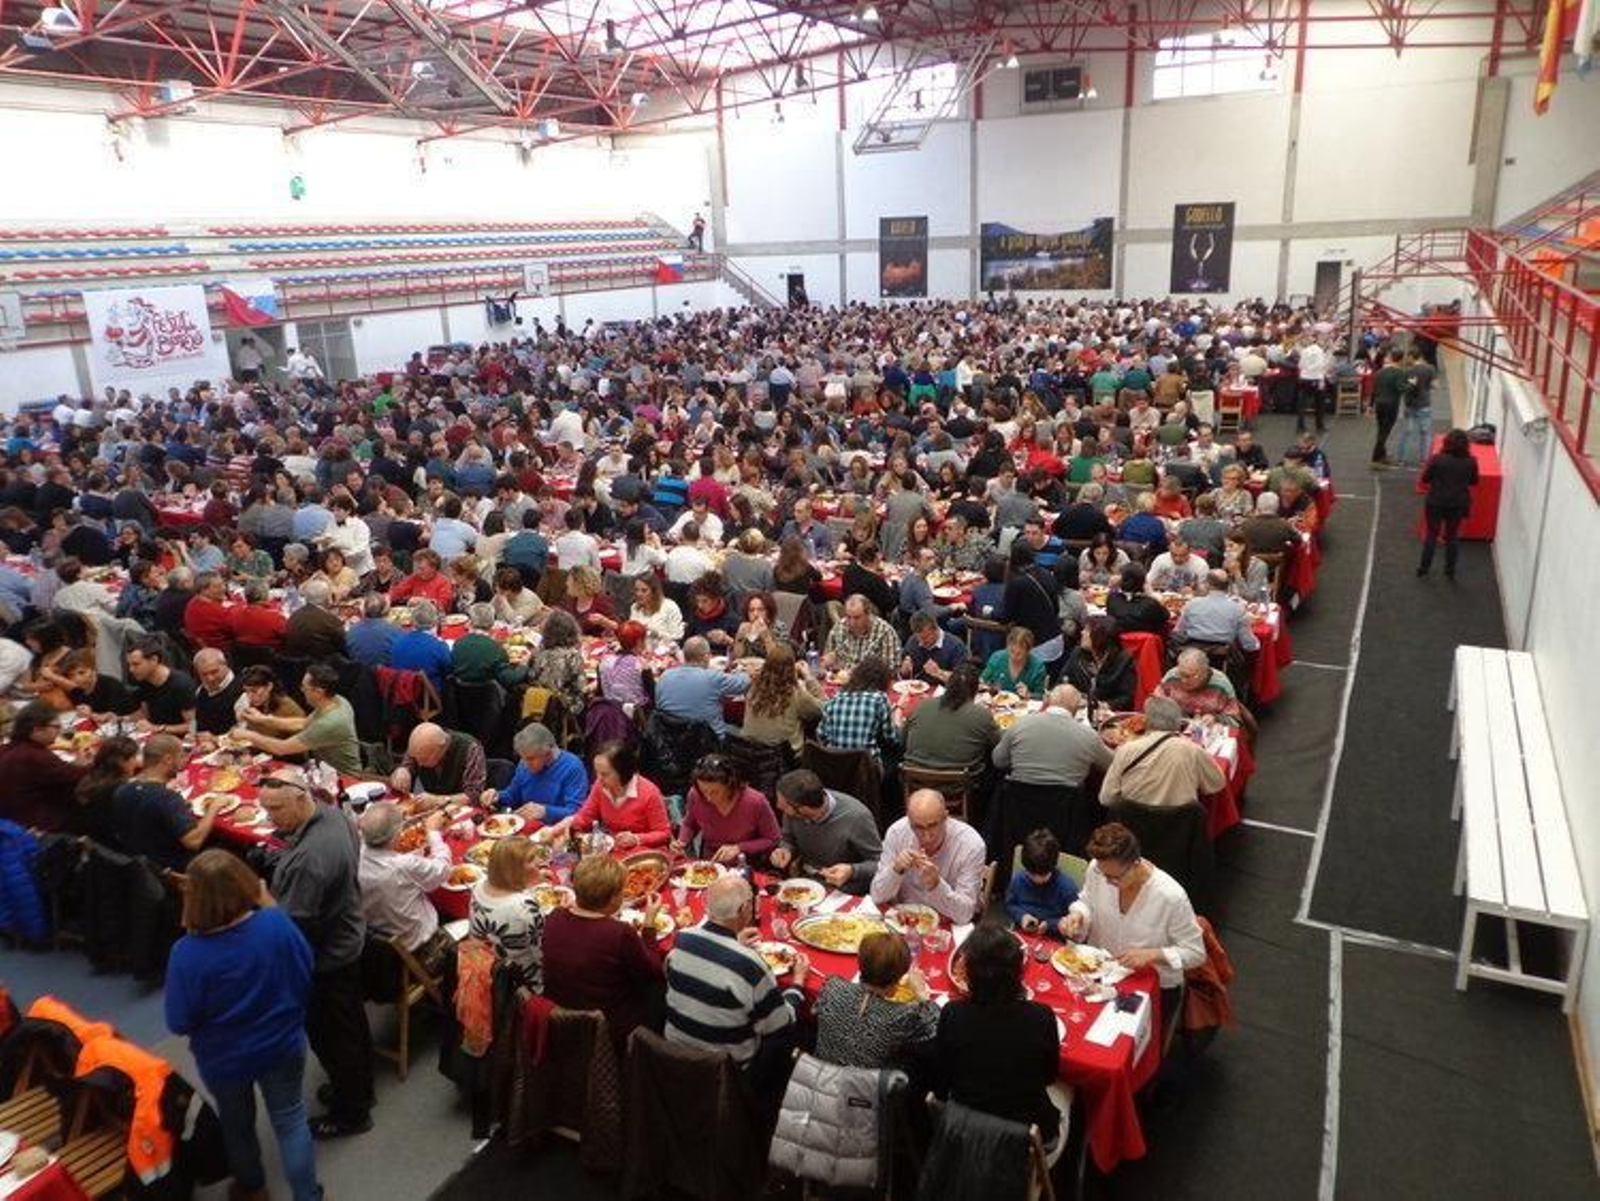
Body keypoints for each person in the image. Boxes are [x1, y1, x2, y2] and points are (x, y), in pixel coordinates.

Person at [164, 849, 320, 1201]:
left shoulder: (186, 954)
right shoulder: (275, 923)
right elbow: (305, 969)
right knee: (291, 1120)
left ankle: (252, 1188)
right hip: (282, 1043)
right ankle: (308, 1195)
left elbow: (178, 1021)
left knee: (236, 1125)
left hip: (224, 1058)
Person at [257, 771, 375, 1139]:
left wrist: (264, 903)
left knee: (331, 1036)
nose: (270, 818)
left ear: (300, 798)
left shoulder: (310, 860)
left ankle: (351, 1113)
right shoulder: (334, 815)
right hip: (349, 937)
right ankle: (358, 1088)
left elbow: (292, 929)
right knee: (351, 1027)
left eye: (275, 809)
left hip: (325, 959)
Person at [664, 874, 804, 1087]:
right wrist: (797, 984)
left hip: (672, 1060)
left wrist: (732, 944)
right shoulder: (750, 964)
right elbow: (780, 1024)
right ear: (743, 909)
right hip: (727, 1076)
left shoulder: (682, 939)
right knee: (789, 1036)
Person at [936, 922, 1064, 1148]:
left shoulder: (952, 1013)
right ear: (1018, 972)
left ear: (969, 974)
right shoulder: (1041, 1017)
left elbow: (944, 1075)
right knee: (1066, 1089)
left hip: (962, 1129)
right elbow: (1049, 1076)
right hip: (1026, 1139)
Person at [1061, 822, 1206, 1005]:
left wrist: (1152, 954)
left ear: (1136, 864)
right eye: (1103, 874)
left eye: (1115, 878)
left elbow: (1196, 953)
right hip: (1099, 973)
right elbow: (1087, 902)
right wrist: (1078, 915)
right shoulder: (1098, 870)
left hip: (1150, 987)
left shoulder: (1171, 897)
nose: (1107, 881)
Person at [540, 854, 666, 1051]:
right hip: (607, 1026)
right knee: (660, 989)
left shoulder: (554, 916)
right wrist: (649, 925)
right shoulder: (619, 933)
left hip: (560, 1014)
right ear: (613, 898)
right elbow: (653, 972)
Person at [810, 930, 938, 1069]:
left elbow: (814, 1011)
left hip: (816, 1076)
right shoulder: (901, 1016)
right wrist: (921, 993)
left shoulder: (832, 985)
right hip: (862, 1087)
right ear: (898, 978)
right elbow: (938, 1028)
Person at [356, 802, 455, 976]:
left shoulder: (355, 856)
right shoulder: (401, 865)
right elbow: (444, 870)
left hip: (378, 954)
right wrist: (433, 833)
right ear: (396, 835)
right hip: (422, 953)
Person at [869, 790, 986, 923]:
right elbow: (877, 896)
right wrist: (895, 870)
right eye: (918, 827)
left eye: (932, 826)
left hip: (948, 923)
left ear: (946, 817)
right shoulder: (897, 833)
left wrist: (936, 885)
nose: (926, 836)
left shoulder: (971, 845)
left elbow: (964, 915)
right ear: (909, 821)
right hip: (903, 921)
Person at [109, 733, 222, 870]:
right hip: (172, 872)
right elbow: (194, 841)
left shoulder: (122, 789)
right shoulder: (167, 798)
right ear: (168, 759)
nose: (184, 760)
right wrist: (214, 807)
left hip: (137, 867)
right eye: (181, 756)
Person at [231, 663, 362, 775]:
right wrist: (264, 719)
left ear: (319, 692)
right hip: (326, 770)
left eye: (304, 687)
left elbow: (281, 748)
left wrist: (249, 735)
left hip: (344, 777)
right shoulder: (337, 700)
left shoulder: (329, 723)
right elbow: (303, 723)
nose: (301, 690)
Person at [770, 770, 883, 894]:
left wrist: (852, 870)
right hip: (805, 881)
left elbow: (881, 863)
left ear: (803, 809)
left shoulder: (857, 817)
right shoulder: (792, 811)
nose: (777, 806)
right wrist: (785, 850)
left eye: (783, 806)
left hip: (842, 888)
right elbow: (788, 839)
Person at [1099, 695, 1225, 807]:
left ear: (1146, 722)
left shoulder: (1126, 750)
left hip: (1133, 827)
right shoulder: (1193, 750)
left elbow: (1106, 799)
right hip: (1180, 827)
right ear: (1178, 722)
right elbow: (1217, 784)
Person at [546, 740, 671, 850]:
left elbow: (664, 833)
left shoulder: (649, 793)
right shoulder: (600, 787)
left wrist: (636, 838)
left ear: (623, 772)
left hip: (642, 854)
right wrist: (568, 823)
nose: (598, 779)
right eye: (597, 773)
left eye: (605, 774)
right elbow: (586, 817)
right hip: (612, 850)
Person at [992, 682, 1113, 794]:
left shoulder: (1020, 724)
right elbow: (1112, 765)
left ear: (1048, 701)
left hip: (1017, 807)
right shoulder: (1089, 736)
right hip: (1066, 811)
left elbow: (998, 761)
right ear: (1077, 710)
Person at [468, 837, 546, 995]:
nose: (540, 862)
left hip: (483, 964)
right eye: (531, 859)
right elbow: (543, 949)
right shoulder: (525, 908)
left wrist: (529, 882)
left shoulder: (479, 885)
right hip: (520, 979)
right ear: (514, 870)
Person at [676, 753, 781, 865]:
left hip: (746, 862)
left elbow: (773, 839)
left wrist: (739, 848)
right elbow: (689, 824)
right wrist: (682, 841)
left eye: (715, 792)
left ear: (730, 784)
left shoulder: (755, 801)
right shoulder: (695, 794)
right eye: (703, 791)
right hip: (711, 860)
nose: (708, 798)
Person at [0, 701, 88, 830]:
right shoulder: (34, 756)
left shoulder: (7, 748)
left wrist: (74, 766)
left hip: (12, 822)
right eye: (56, 727)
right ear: (37, 730)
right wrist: (85, 765)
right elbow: (79, 776)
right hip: (43, 824)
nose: (60, 731)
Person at [482, 722, 589, 822]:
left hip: (556, 830)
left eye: (531, 759)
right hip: (526, 826)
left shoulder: (572, 767)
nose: (525, 763)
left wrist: (545, 811)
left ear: (548, 753)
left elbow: (576, 812)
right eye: (522, 758)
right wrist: (497, 796)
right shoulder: (525, 761)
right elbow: (513, 795)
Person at [902, 663, 999, 773]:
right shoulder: (982, 715)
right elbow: (998, 746)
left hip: (915, 781)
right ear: (975, 690)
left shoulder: (921, 706)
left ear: (948, 686)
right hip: (959, 786)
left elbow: (902, 740)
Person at [653, 636, 750, 737]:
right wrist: (742, 670)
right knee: (745, 733)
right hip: (709, 742)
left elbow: (659, 707)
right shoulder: (713, 677)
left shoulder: (665, 676)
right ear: (706, 656)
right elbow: (744, 683)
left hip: (671, 739)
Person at [740, 641, 825, 753]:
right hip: (783, 761)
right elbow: (824, 708)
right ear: (791, 668)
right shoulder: (795, 694)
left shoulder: (753, 689)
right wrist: (808, 677)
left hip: (750, 756)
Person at [1418, 428, 1479, 580]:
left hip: (1436, 501)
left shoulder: (1437, 459)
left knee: (1432, 535)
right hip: (1457, 503)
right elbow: (1474, 482)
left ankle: (1424, 568)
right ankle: (1450, 570)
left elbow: (1425, 478)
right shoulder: (1471, 461)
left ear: (1447, 443)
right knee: (1452, 537)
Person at [817, 655, 899, 763]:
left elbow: (821, 735)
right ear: (883, 681)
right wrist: (897, 714)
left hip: (835, 770)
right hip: (866, 772)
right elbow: (892, 739)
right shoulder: (879, 699)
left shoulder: (835, 699)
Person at [389, 721, 487, 809]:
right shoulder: (422, 745)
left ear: (441, 749)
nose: (419, 763)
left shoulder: (471, 748)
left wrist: (438, 801)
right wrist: (401, 771)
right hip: (429, 809)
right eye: (415, 757)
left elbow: (474, 797)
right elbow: (407, 765)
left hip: (460, 811)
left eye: (424, 759)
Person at [1004, 828, 1081, 934]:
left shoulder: (1067, 888)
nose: (1037, 879)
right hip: (1023, 933)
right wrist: (1022, 916)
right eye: (1032, 874)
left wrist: (1051, 924)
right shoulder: (1018, 879)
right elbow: (1010, 905)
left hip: (1054, 939)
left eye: (1043, 875)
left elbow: (1074, 920)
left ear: (1053, 865)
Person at [1173, 571, 1261, 654]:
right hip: (1222, 659)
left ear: (1207, 585)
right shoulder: (1238, 609)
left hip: (1192, 654)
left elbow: (1178, 631)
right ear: (1228, 586)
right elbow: (1248, 645)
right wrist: (1258, 645)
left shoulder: (1191, 604)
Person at [1157, 646, 1246, 725]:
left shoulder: (1221, 683)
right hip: (1176, 729)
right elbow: (1156, 702)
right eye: (1180, 674)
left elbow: (1235, 719)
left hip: (1209, 733)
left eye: (1188, 676)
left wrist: (1216, 718)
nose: (1183, 680)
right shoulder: (1172, 675)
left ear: (1204, 672)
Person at [125, 636, 196, 735]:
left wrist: (157, 728)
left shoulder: (181, 685)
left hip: (179, 740)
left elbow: (193, 726)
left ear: (154, 660)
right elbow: (144, 716)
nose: (131, 670)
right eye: (129, 665)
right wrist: (121, 719)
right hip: (155, 736)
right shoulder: (142, 680)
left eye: (136, 664)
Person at [821, 593, 899, 674]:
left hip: (870, 683)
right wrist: (828, 661)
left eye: (857, 618)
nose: (852, 622)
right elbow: (827, 657)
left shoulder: (885, 632)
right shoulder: (839, 628)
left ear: (868, 614)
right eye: (848, 617)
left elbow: (890, 669)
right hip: (840, 681)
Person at [284, 579, 349, 661]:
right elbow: (345, 645)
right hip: (324, 667)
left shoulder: (293, 616)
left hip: (296, 666)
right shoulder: (330, 620)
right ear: (327, 598)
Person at [1397, 347, 1437, 469]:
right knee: (1425, 434)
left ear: (1411, 357)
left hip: (1410, 405)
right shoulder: (1430, 368)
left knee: (1406, 433)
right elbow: (1435, 385)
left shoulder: (1407, 371)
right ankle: (1424, 461)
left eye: (1408, 357)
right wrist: (1425, 386)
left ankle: (1401, 459)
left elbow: (1404, 388)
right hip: (1424, 405)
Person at [979, 626, 1047, 697]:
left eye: (1019, 654)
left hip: (1024, 706)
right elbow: (983, 679)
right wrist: (982, 685)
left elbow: (1041, 696)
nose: (1014, 657)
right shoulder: (997, 658)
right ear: (1007, 646)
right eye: (1011, 651)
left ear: (1028, 652)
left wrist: (1029, 694)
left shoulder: (1037, 667)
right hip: (996, 703)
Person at [1105, 562, 1169, 636]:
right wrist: (1151, 593)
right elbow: (1166, 616)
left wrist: (1113, 587)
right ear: (1144, 583)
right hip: (1148, 642)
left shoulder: (1112, 599)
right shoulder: (1151, 604)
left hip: (1119, 643)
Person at [192, 647, 244, 737]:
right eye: (204, 674)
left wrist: (215, 739)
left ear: (225, 665)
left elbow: (244, 733)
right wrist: (192, 734)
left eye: (214, 672)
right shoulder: (200, 690)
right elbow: (196, 721)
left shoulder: (242, 692)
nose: (210, 678)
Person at [346, 592, 399, 668]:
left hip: (358, 675)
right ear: (386, 611)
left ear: (363, 610)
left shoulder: (352, 630)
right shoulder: (395, 630)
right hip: (384, 675)